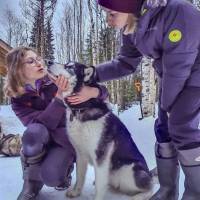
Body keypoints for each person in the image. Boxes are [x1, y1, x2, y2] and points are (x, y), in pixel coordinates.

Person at [90, 0, 200, 199]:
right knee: (163, 129)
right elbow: (125, 63)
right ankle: (167, 190)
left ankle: (195, 192)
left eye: (111, 14)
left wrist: (167, 105)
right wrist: (92, 73)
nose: (108, 20)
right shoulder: (132, 26)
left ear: (127, 6)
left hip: (195, 76)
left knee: (181, 127)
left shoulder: (178, 13)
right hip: (172, 78)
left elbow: (178, 67)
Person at [4, 46, 108, 200]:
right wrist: (60, 98)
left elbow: (103, 92)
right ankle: (31, 183)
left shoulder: (58, 74)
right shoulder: (17, 99)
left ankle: (64, 171)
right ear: (18, 70)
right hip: (42, 137)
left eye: (38, 58)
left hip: (65, 140)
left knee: (52, 177)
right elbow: (38, 125)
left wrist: (92, 92)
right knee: (34, 133)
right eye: (31, 61)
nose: (39, 63)